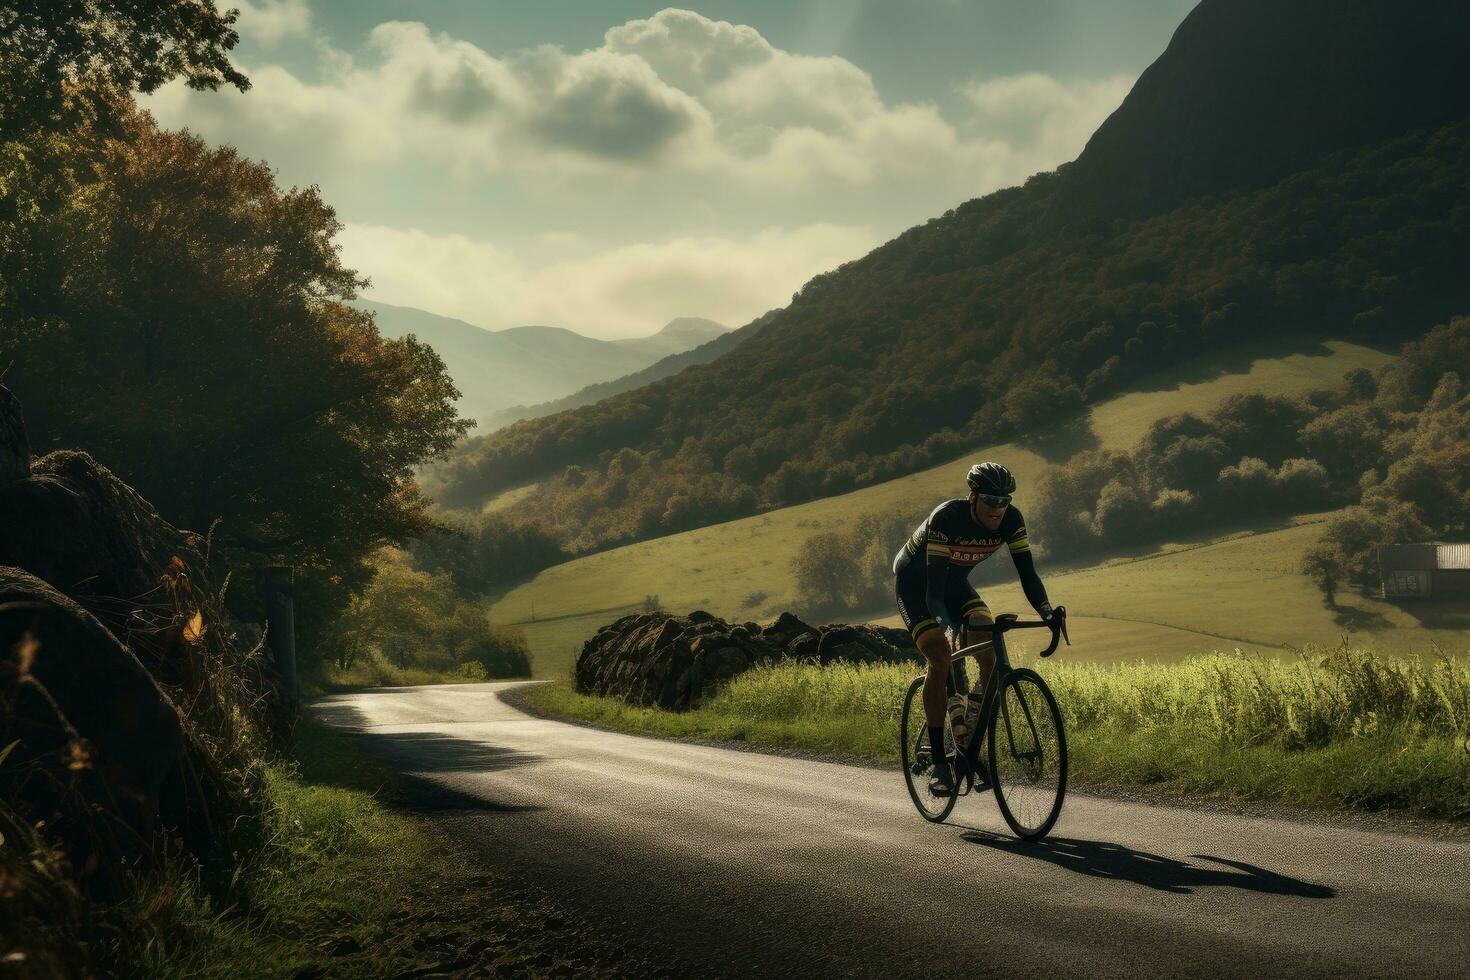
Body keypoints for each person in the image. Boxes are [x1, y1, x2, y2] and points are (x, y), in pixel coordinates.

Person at [892, 461, 1057, 795]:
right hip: (917, 586)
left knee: (988, 645)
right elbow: (934, 593)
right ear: (972, 498)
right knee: (940, 656)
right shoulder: (947, 518)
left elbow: (1029, 575)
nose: (998, 508)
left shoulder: (1011, 520)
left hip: (956, 585)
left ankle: (968, 739)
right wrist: (946, 629)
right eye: (990, 501)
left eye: (1004, 501)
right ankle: (941, 762)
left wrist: (1047, 611)